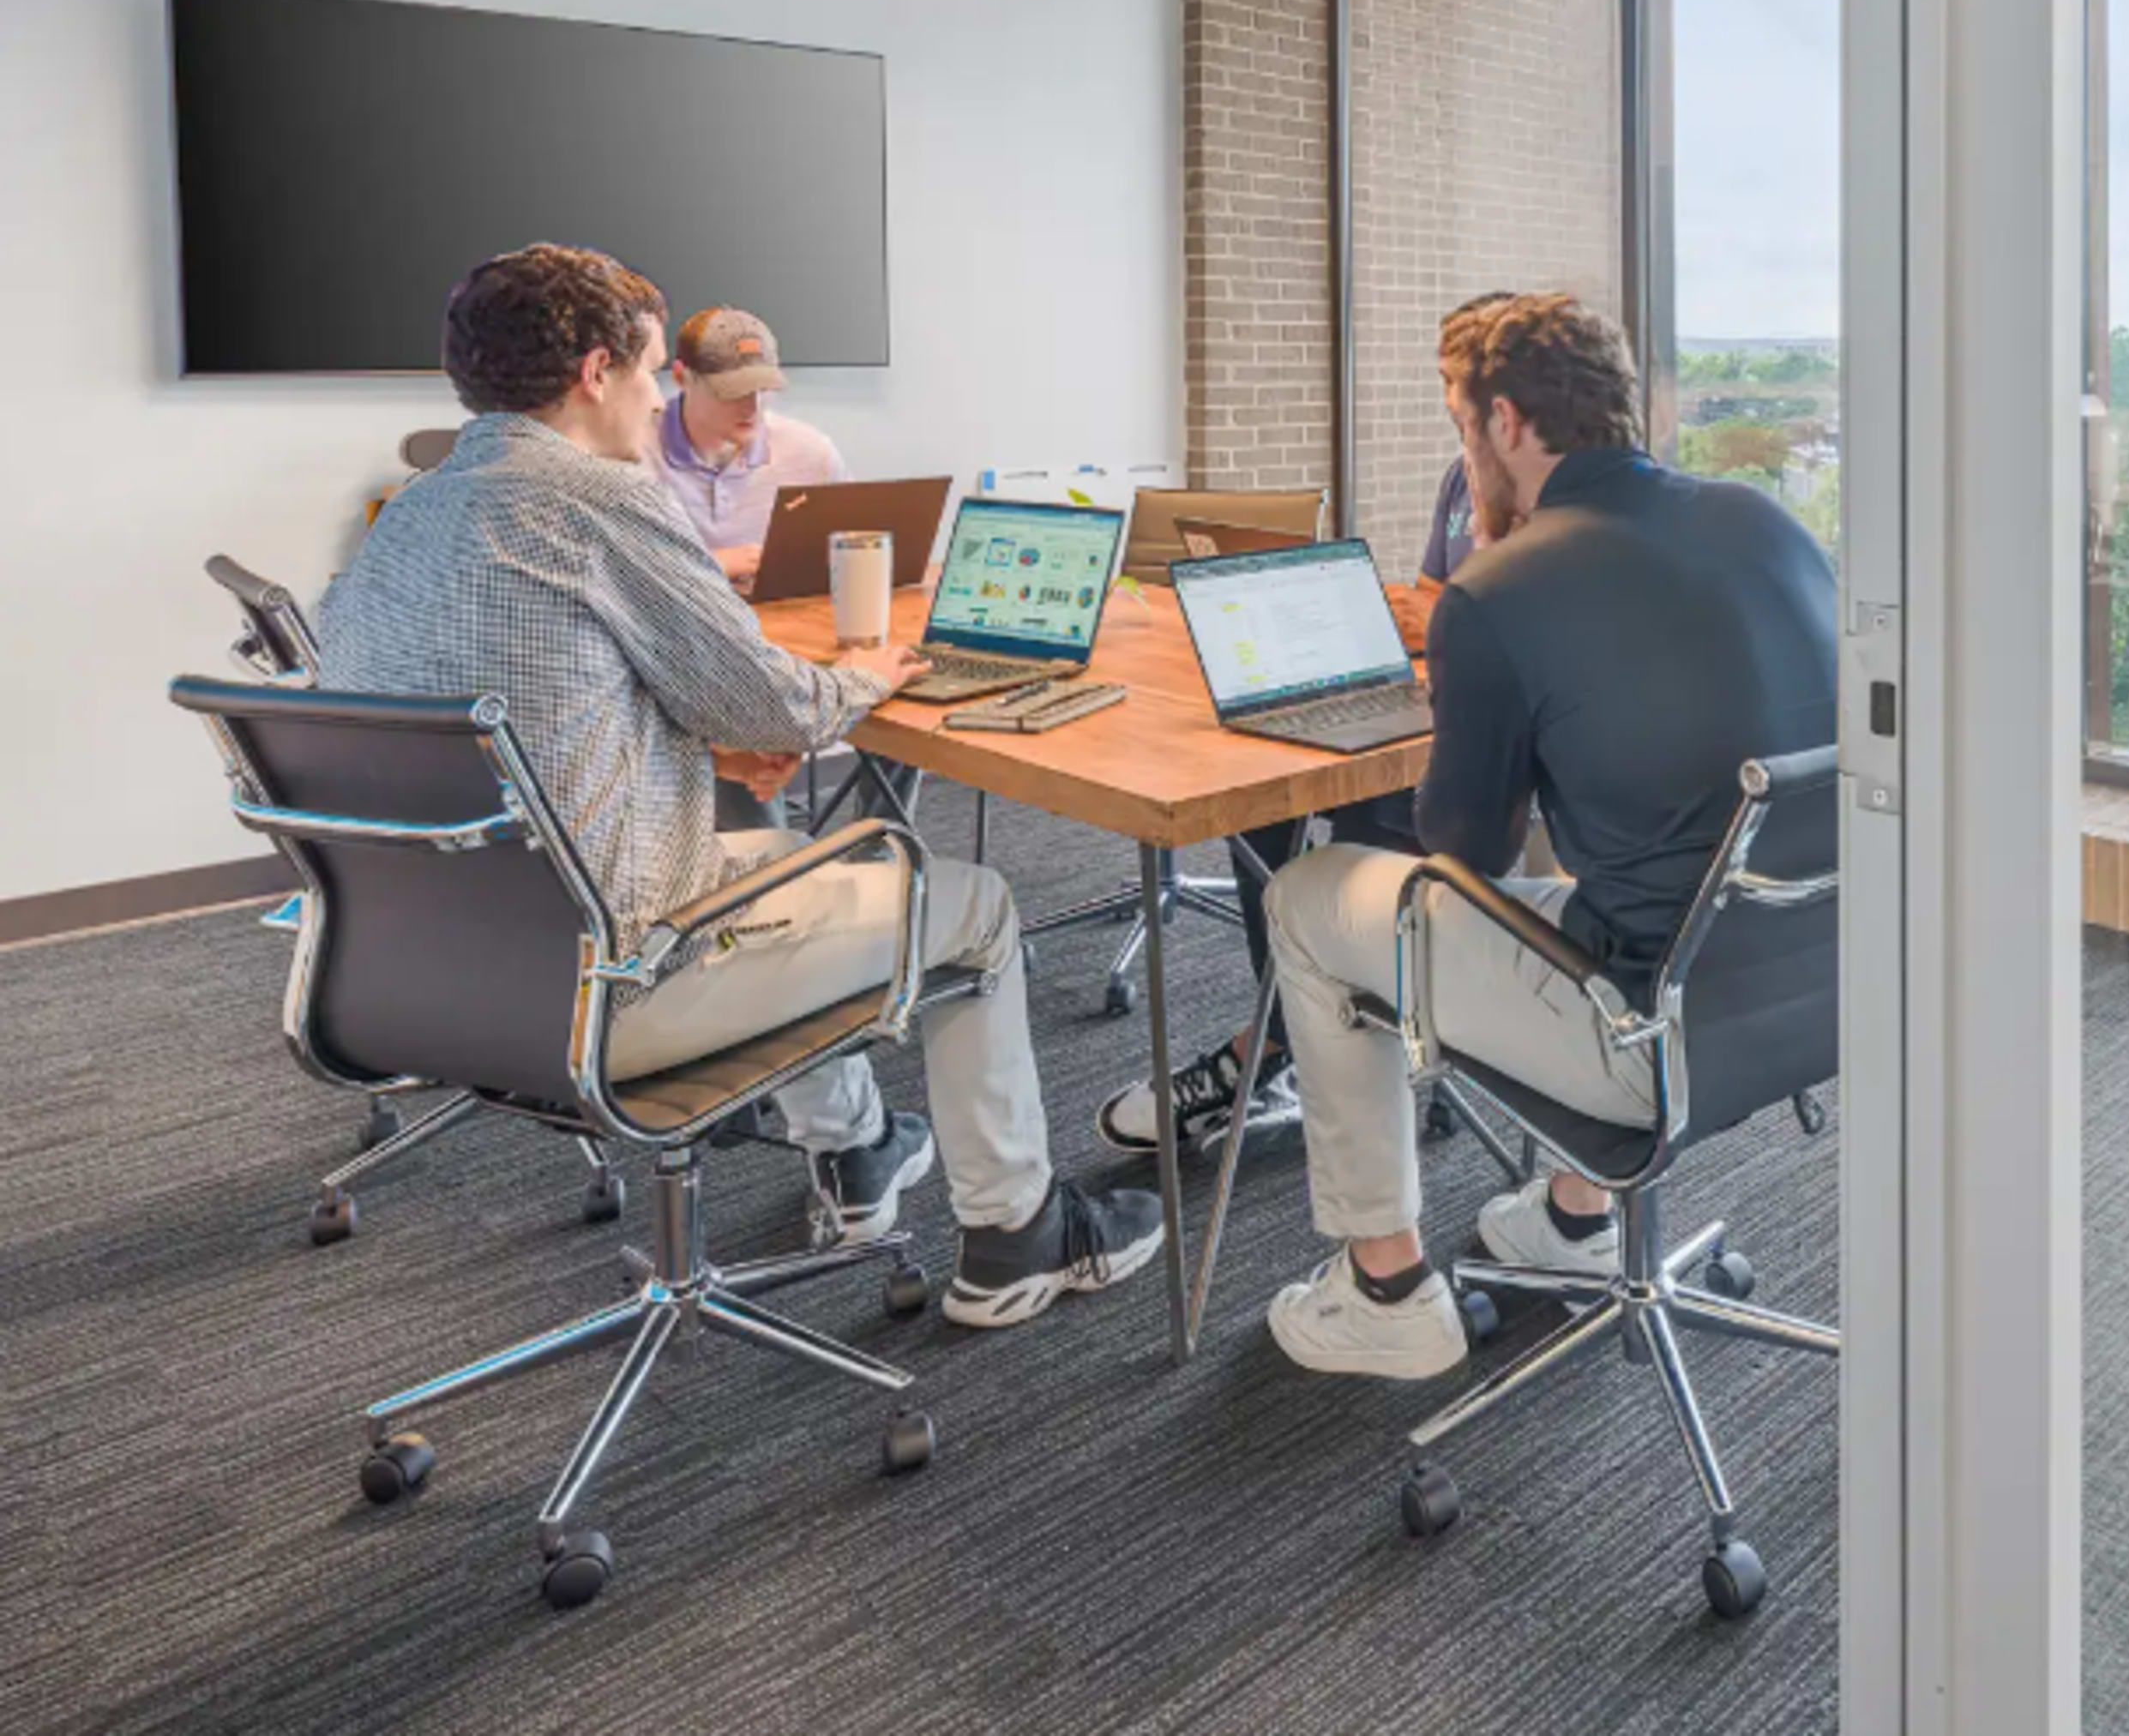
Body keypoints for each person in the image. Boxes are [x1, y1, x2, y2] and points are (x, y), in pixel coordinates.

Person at [316, 243, 1162, 1330]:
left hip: (429, 979)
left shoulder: (408, 519)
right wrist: (866, 678)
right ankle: (1019, 1239)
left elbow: (534, 714)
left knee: (774, 854)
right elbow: (781, 707)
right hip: (613, 979)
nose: (659, 391)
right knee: (975, 906)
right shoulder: (597, 499)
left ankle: (856, 1154)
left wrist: (706, 743)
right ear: (595, 372)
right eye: (655, 367)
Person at [1257, 291, 1838, 1378]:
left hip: (1647, 1039)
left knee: (1310, 896)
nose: (1463, 451)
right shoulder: (1764, 520)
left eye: (1461, 427)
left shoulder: (1499, 586)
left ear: (1509, 425)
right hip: (1829, 991)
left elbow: (1461, 858)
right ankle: (1575, 1223)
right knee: (1638, 882)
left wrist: (1487, 623)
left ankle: (1383, 1286)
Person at [1093, 293, 1517, 1162]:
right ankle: (1302, 1035)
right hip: (1426, 694)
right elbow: (1439, 595)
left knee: (1356, 837)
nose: (1444, 398)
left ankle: (1286, 1047)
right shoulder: (1460, 469)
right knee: (1259, 805)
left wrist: (1438, 623)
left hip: (1487, 740)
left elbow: (1501, 627)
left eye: (1453, 380)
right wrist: (1420, 619)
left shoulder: (1541, 484)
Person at [652, 303, 850, 591]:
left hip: (790, 624)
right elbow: (605, 575)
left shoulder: (813, 454)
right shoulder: (627, 453)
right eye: (734, 391)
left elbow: (855, 551)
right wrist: (710, 564)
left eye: (762, 389)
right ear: (682, 378)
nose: (752, 406)